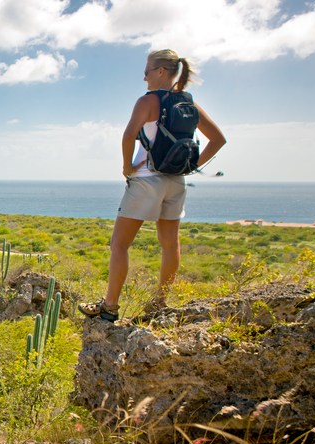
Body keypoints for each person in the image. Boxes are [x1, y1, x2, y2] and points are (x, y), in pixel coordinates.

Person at [79, 49, 226, 321]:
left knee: (119, 244)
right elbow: (218, 139)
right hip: (176, 182)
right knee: (170, 244)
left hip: (147, 179)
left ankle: (109, 306)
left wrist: (127, 166)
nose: (143, 76)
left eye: (147, 70)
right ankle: (159, 301)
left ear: (160, 71)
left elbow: (128, 135)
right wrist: (191, 166)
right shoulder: (188, 103)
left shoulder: (148, 101)